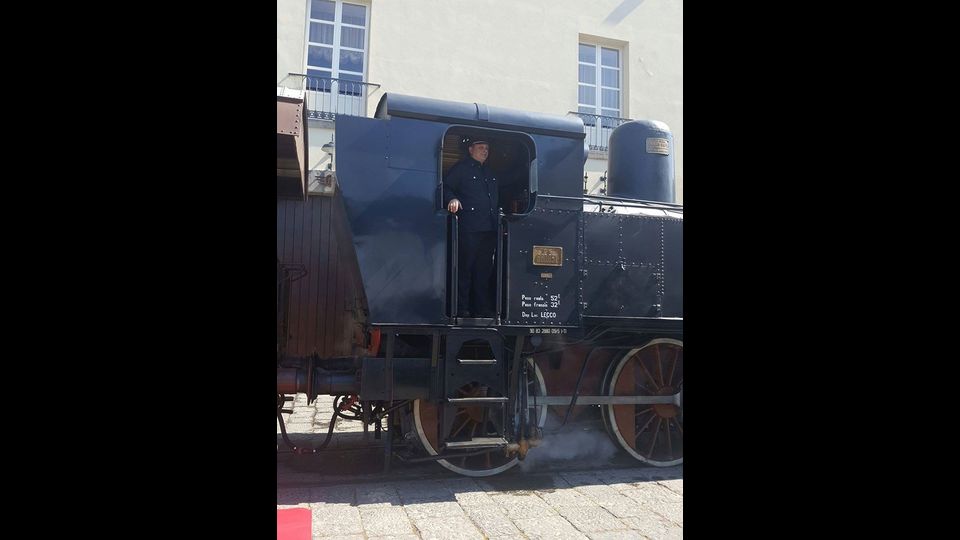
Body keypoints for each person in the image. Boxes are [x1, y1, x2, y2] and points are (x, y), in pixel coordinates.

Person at [443, 138, 499, 318]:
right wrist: (452, 199)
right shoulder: (461, 169)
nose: (485, 151)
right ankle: (461, 308)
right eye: (481, 147)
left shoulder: (490, 173)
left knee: (483, 271)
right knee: (464, 269)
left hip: (489, 229)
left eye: (487, 148)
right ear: (470, 149)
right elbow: (446, 187)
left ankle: (481, 308)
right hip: (469, 228)